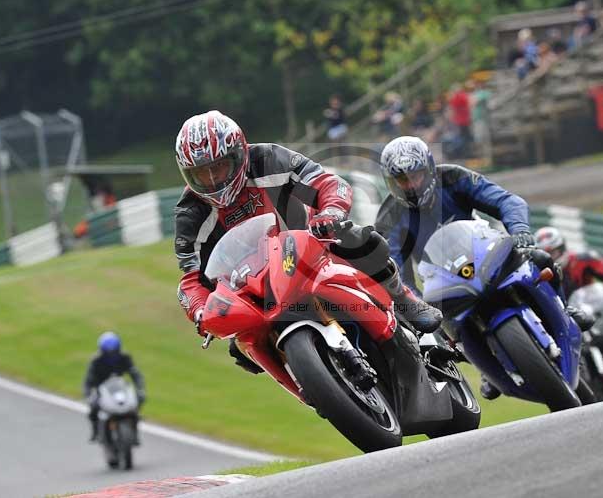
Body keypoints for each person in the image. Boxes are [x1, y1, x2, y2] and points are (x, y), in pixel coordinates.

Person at [174, 111, 442, 374]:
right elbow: (191, 279)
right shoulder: (190, 212)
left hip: (309, 243)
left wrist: (331, 211)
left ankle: (405, 300)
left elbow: (327, 183)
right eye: (201, 174)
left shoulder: (267, 159)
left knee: (358, 239)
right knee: (241, 348)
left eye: (219, 167)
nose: (213, 180)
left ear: (239, 154)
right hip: (252, 284)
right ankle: (308, 383)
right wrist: (200, 311)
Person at [375, 136, 590, 399]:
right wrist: (416, 304)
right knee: (440, 333)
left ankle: (565, 310)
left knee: (541, 259)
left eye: (416, 176)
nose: (411, 186)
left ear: (428, 168)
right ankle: (487, 368)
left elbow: (507, 201)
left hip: (486, 253)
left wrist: (520, 230)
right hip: (443, 281)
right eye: (402, 180)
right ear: (391, 182)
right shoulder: (389, 217)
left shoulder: (453, 177)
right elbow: (393, 270)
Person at [83, 332, 145, 442]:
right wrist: (88, 394)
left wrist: (140, 389)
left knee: (135, 403)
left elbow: (135, 373)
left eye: (114, 352)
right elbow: (88, 380)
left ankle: (134, 431)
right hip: (102, 388)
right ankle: (95, 431)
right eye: (108, 353)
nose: (111, 355)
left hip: (119, 386)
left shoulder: (125, 357)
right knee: (93, 407)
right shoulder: (96, 361)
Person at [534, 226, 603, 298]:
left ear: (561, 248)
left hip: (587, 303)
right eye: (545, 254)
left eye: (552, 252)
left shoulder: (583, 259)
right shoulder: (538, 273)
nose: (549, 257)